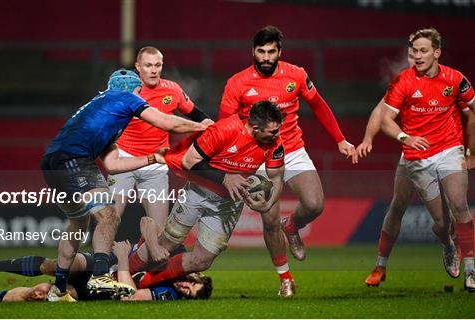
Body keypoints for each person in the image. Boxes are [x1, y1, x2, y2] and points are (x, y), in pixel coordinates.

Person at [40, 69, 207, 301]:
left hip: (52, 162)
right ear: (133, 90)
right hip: (74, 160)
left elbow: (113, 163)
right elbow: (166, 122)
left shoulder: (104, 110)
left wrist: (152, 158)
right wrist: (203, 126)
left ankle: (59, 289)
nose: (142, 98)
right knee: (109, 216)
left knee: (78, 223)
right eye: (141, 93)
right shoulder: (124, 97)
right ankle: (100, 275)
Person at [218, 25, 356, 296]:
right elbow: (224, 124)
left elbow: (319, 105)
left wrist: (340, 139)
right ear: (253, 52)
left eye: (271, 51)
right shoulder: (237, 82)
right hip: (255, 156)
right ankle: (285, 278)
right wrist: (232, 163)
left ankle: (292, 226)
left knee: (315, 204)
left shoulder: (297, 75)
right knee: (268, 218)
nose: (266, 57)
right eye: (261, 51)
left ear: (280, 52)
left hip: (291, 149)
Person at [124, 100, 286, 290]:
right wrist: (225, 178)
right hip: (197, 192)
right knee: (165, 245)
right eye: (273, 131)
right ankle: (121, 273)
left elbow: (276, 178)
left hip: (228, 204)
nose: (277, 135)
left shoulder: (275, 143)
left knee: (202, 261)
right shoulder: (224, 130)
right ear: (256, 128)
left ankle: (143, 282)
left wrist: (268, 204)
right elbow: (189, 161)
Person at [357, 48, 475, 286]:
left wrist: (471, 150)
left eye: (422, 53)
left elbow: (471, 114)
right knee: (398, 205)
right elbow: (380, 112)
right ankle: (380, 265)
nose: (416, 59)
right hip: (413, 156)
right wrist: (368, 139)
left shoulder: (450, 83)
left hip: (446, 151)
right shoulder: (404, 81)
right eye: (412, 54)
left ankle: (465, 262)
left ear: (436, 53)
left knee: (454, 210)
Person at [0, 217, 213, 302]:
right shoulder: (175, 257)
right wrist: (150, 245)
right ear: (196, 275)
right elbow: (148, 222)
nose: (185, 287)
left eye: (189, 293)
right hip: (103, 264)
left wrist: (123, 260)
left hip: (100, 289)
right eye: (191, 284)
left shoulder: (168, 292)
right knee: (57, 264)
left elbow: (129, 295)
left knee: (41, 292)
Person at [109, 46, 213, 228]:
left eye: (158, 65)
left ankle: (139, 256)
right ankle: (102, 256)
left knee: (159, 228)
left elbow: (195, 113)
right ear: (138, 67)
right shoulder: (125, 90)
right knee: (110, 220)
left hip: (156, 163)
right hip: (124, 158)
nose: (154, 70)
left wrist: (212, 126)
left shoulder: (172, 90)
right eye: (148, 65)